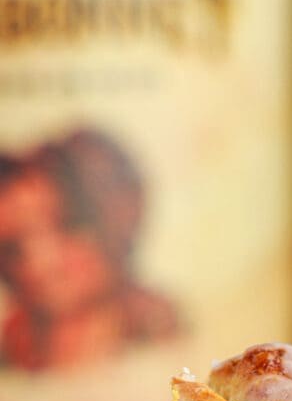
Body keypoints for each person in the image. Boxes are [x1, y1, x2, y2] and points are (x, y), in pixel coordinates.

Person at [0, 128, 182, 371]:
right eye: (13, 249)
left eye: (69, 225)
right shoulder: (15, 348)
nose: (40, 262)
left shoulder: (158, 329)